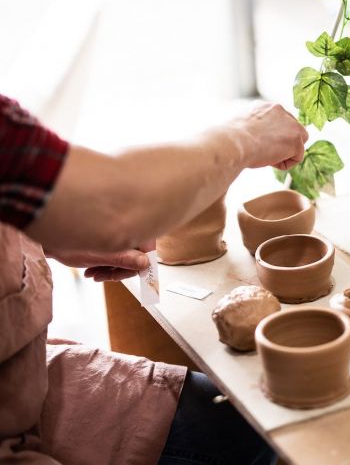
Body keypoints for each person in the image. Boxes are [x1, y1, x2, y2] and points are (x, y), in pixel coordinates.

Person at [0, 93, 308, 464]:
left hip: (27, 384)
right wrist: (247, 134)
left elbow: (32, 186)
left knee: (262, 428)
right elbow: (120, 203)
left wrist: (42, 237)